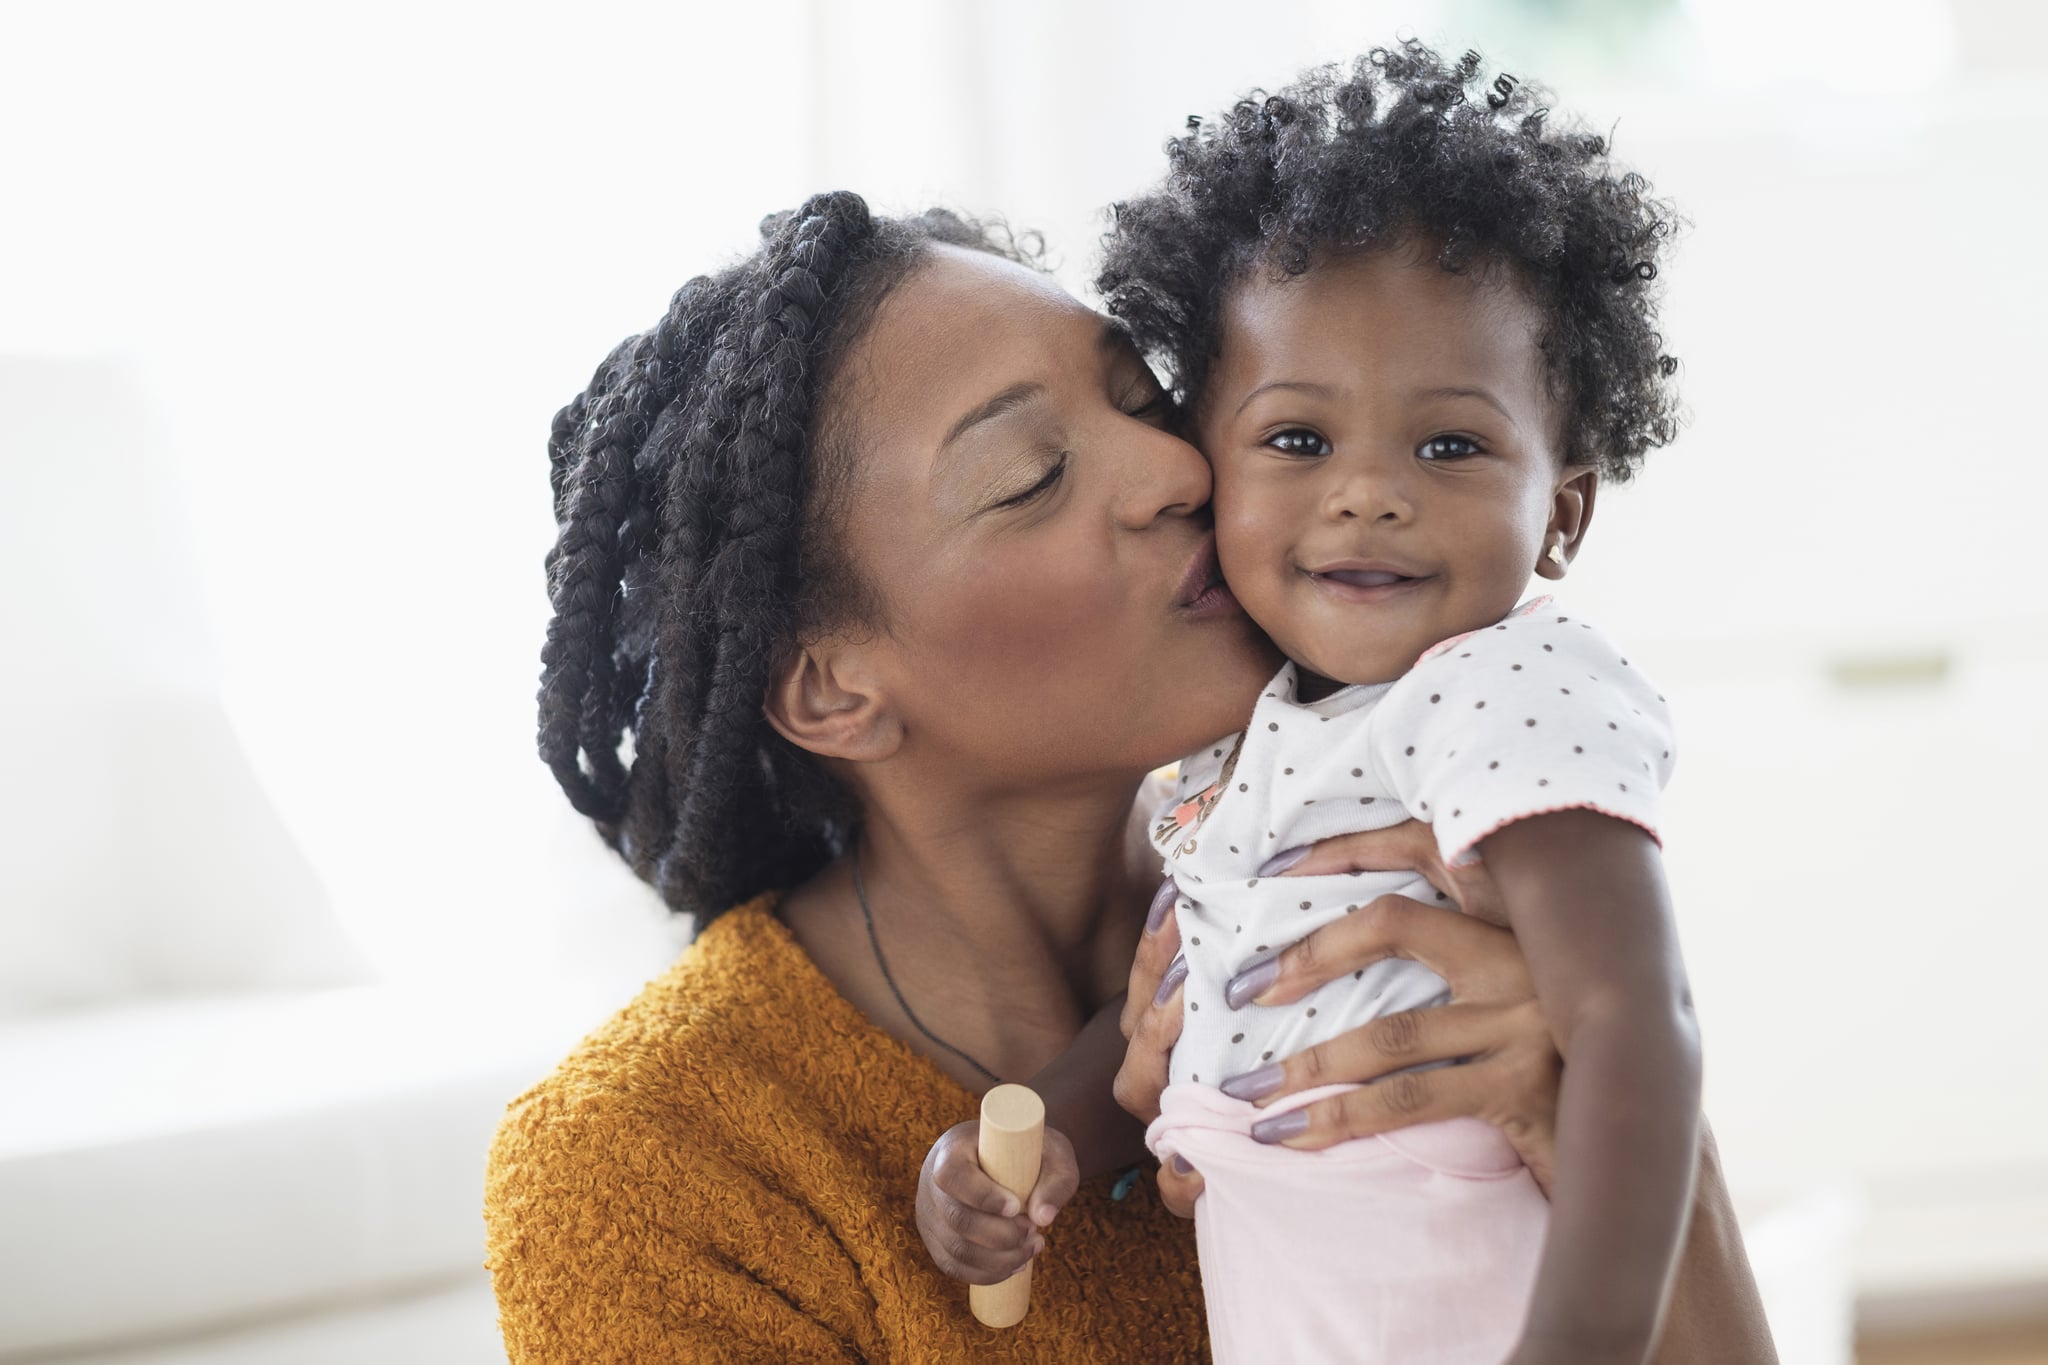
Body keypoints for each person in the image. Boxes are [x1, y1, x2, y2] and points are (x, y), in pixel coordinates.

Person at [485, 180, 1775, 1358]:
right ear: (831, 690)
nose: (1177, 470)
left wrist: (1575, 1119)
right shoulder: (651, 1167)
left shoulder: (1399, 885)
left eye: (1150, 401)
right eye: (1031, 476)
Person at [922, 44, 1702, 1364]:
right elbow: (1192, 998)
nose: (1367, 492)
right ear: (1208, 470)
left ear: (1559, 512)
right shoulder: (1231, 738)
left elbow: (1633, 1026)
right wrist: (1033, 1137)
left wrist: (1580, 1342)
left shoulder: (1504, 685)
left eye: (1449, 445)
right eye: (1298, 440)